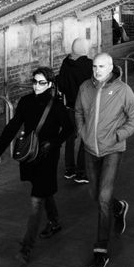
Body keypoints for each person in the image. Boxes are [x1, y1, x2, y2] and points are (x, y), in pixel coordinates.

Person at [0, 67, 72, 264]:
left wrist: (53, 142)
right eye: (34, 81)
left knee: (37, 200)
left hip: (48, 156)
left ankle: (26, 248)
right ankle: (54, 221)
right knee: (43, 190)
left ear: (50, 84)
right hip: (30, 154)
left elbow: (68, 129)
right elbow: (12, 126)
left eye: (41, 82)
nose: (36, 86)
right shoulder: (26, 101)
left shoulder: (57, 105)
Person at [75, 52, 134, 267]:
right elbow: (77, 111)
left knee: (103, 197)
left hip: (112, 149)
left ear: (111, 67)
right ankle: (119, 207)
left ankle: (100, 251)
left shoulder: (123, 90)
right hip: (89, 149)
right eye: (94, 66)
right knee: (95, 194)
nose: (97, 71)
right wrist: (82, 132)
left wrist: (117, 136)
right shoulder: (85, 87)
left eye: (101, 66)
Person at [57, 38, 92, 183]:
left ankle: (69, 169)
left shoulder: (65, 64)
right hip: (85, 108)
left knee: (70, 138)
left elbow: (62, 85)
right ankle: (81, 172)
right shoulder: (89, 65)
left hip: (70, 107)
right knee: (85, 139)